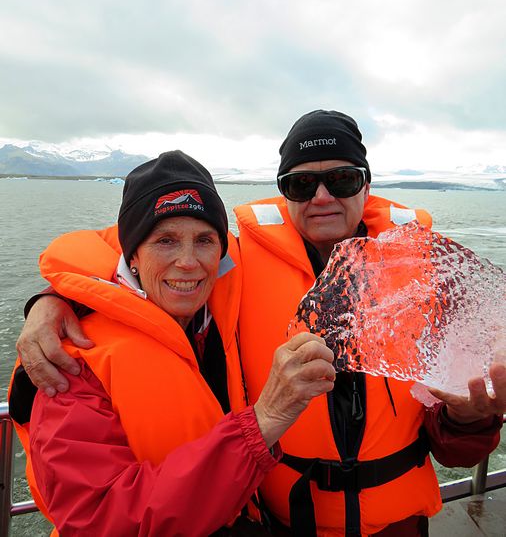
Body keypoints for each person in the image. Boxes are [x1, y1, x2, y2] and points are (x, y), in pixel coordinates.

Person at [15, 112, 505, 536]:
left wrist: (470, 421)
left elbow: (454, 444)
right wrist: (55, 298)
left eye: (342, 179)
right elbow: (122, 252)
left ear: (367, 184)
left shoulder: (426, 271)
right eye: (299, 183)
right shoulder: (236, 262)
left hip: (398, 523)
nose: (321, 196)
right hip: (286, 520)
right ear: (282, 192)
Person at [9, 150, 336, 536]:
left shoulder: (219, 312)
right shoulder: (71, 361)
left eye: (204, 240)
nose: (187, 261)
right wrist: (263, 422)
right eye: (165, 240)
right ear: (131, 255)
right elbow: (99, 520)